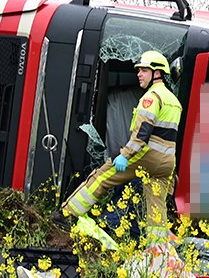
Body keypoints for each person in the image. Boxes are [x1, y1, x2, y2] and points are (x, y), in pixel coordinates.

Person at [60, 50, 182, 242]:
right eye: (138, 71)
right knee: (156, 213)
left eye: (143, 70)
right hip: (166, 163)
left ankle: (67, 214)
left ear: (157, 73)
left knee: (102, 177)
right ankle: (157, 252)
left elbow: (142, 132)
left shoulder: (152, 97)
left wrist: (125, 154)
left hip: (146, 155)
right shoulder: (174, 101)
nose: (139, 74)